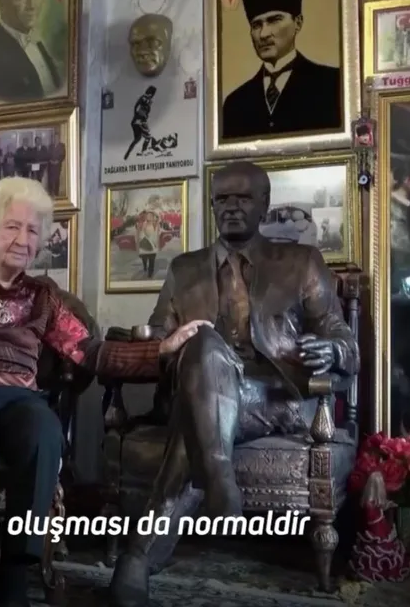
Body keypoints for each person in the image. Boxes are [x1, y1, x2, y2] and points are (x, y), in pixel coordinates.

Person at [0, 176, 209, 607]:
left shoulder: (42, 295)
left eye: (32, 230)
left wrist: (162, 349)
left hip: (15, 400)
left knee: (44, 427)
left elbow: (89, 351)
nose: (23, 239)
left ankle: (16, 575)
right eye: (12, 226)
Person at [108, 161, 357, 606]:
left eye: (243, 197)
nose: (232, 207)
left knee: (194, 420)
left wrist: (331, 351)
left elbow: (346, 344)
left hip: (273, 397)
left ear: (264, 204)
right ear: (212, 206)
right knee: (203, 345)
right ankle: (218, 475)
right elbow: (161, 340)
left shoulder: (301, 262)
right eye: (222, 199)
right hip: (197, 386)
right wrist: (159, 344)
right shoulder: (184, 268)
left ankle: (140, 555)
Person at [220, 0, 341, 141]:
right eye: (256, 25)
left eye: (274, 20)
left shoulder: (332, 85)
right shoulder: (235, 103)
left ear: (298, 23)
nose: (263, 34)